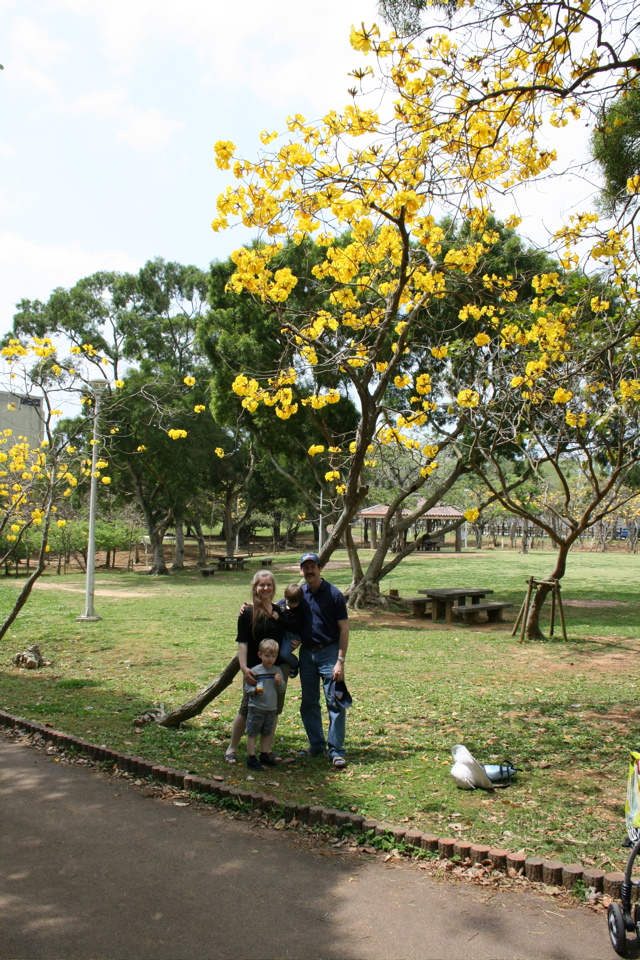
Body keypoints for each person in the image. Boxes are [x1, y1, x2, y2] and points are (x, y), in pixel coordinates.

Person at [224, 569, 297, 765]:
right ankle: (231, 748)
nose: (265, 588)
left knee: (273, 709)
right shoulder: (247, 612)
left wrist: (296, 642)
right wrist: (243, 667)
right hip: (255, 670)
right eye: (261, 584)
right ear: (255, 588)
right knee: (247, 708)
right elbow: (242, 642)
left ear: (273, 588)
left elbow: (294, 628)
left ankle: (266, 751)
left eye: (269, 584)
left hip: (277, 670)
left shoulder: (280, 611)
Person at [297, 552, 349, 769]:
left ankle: (336, 750)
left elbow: (344, 629)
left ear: (319, 568)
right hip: (307, 654)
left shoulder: (334, 595)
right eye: (305, 567)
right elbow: (277, 608)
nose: (310, 571)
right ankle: (316, 744)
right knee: (309, 702)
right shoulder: (300, 594)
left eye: (313, 567)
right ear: (301, 570)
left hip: (329, 653)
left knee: (335, 701)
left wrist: (340, 661)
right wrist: (250, 606)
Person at [244, 638, 285, 771]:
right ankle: (251, 757)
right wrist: (254, 690)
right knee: (252, 732)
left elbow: (282, 690)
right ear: (260, 655)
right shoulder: (255, 671)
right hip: (256, 707)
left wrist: (279, 682)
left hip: (271, 708)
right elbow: (247, 688)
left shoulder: (277, 671)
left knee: (266, 732)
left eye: (273, 656)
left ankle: (264, 754)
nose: (270, 659)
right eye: (267, 656)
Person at [275, 583, 304, 678]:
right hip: (282, 632)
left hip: (292, 635)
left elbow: (292, 625)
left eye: (294, 603)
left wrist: (278, 618)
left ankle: (295, 664)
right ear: (285, 597)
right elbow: (274, 606)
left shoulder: (299, 610)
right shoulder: (282, 603)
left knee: (284, 654)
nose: (291, 605)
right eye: (289, 602)